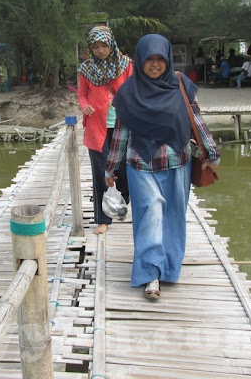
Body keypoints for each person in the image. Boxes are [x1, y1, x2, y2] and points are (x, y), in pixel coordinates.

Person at [104, 34, 220, 300]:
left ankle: (168, 268)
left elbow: (196, 120)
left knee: (173, 216)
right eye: (149, 60)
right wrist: (111, 168)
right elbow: (120, 133)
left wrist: (212, 151)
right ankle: (150, 274)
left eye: (159, 59)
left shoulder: (181, 85)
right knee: (151, 213)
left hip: (177, 162)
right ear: (140, 60)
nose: (154, 65)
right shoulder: (128, 92)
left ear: (167, 59)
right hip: (140, 164)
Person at [78, 25, 133, 235]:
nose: (100, 50)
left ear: (112, 44)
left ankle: (123, 200)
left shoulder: (126, 65)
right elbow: (82, 94)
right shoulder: (85, 69)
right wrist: (85, 106)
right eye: (96, 47)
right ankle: (103, 219)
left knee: (124, 170)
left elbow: (135, 89)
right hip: (97, 128)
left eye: (104, 45)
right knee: (101, 174)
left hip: (123, 126)